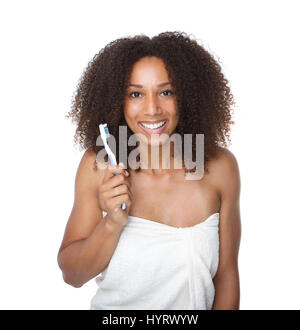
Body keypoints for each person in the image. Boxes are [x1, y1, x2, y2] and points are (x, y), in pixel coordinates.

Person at [57, 31, 241, 310]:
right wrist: (112, 223)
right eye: (135, 94)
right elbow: (73, 276)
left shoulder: (219, 169)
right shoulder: (100, 167)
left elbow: (226, 276)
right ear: (117, 101)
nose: (152, 109)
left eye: (166, 92)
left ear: (188, 96)